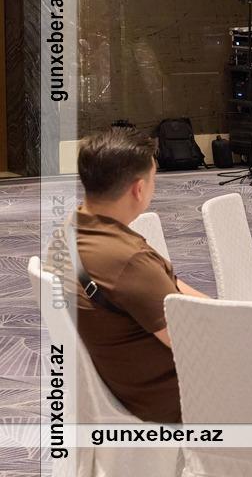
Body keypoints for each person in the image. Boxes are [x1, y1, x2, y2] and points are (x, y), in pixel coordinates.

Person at [56, 129, 208, 423]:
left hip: (128, 381)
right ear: (139, 189)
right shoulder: (129, 261)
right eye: (153, 180)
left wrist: (221, 308)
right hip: (173, 396)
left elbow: (170, 285)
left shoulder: (74, 228)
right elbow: (191, 340)